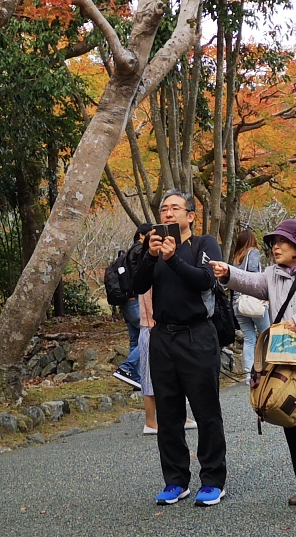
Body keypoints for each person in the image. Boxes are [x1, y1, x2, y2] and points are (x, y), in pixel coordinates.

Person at [212, 219, 296, 513]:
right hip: (287, 362)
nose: (275, 247)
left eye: (282, 242)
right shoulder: (272, 275)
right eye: (274, 242)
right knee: (292, 419)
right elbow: (251, 283)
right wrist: (228, 273)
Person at [133, 190, 227, 507]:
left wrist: (173, 259)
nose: (169, 213)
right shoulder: (154, 247)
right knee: (169, 414)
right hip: (162, 336)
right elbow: (136, 286)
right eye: (164, 209)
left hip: (197, 335)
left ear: (190, 215)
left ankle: (213, 480)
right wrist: (150, 255)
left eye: (176, 208)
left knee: (206, 411)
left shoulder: (203, 244)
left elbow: (205, 280)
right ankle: (175, 481)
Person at [112, 225, 152, 389]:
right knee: (150, 335)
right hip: (136, 300)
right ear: (142, 235)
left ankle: (136, 380)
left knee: (135, 340)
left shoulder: (128, 252)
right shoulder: (140, 251)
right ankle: (126, 368)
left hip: (126, 302)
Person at [231, 229, 266, 375]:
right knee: (267, 334)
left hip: (238, 303)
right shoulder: (253, 252)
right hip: (253, 300)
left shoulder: (236, 257)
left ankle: (248, 373)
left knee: (249, 338)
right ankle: (267, 370)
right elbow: (253, 274)